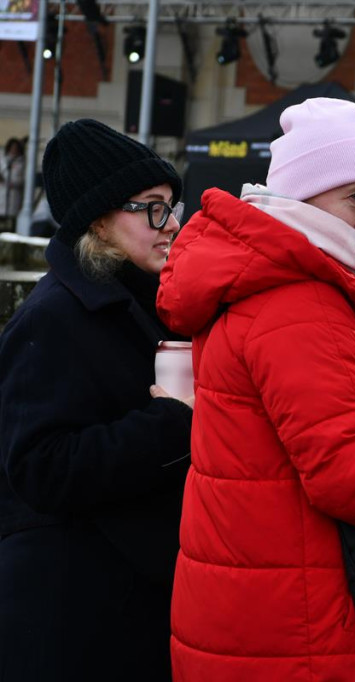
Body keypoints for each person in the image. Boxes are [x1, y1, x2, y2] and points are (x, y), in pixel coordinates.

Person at [156, 98, 355, 681]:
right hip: (298, 629)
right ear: (303, 197)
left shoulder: (264, 278)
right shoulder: (300, 299)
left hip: (254, 611)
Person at [0, 119, 193, 680]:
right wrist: (171, 421)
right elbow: (39, 468)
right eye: (152, 207)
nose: (172, 223)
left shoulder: (143, 299)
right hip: (69, 615)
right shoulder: (53, 317)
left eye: (171, 206)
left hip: (123, 603)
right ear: (100, 217)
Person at [0, 136, 26, 228]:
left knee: (11, 223)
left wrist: (8, 182)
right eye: (12, 147)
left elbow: (23, 180)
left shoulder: (22, 163)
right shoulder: (3, 160)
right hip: (2, 195)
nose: (14, 150)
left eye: (16, 148)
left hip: (14, 196)